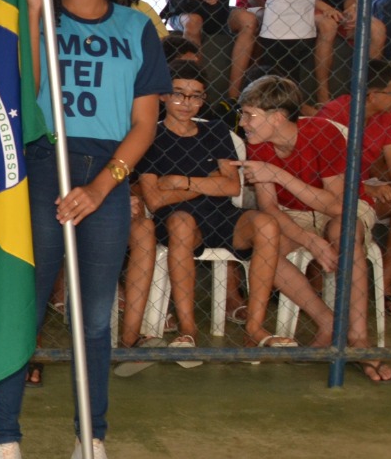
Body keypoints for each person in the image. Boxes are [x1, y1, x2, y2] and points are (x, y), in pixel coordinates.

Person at [0, 0, 168, 459]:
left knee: (92, 319)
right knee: (25, 309)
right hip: (43, 163)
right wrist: (37, 19)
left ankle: (90, 441)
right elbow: (29, 93)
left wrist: (103, 186)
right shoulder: (41, 16)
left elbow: (145, 123)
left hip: (106, 178)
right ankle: (4, 439)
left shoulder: (138, 27)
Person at [118, 63, 331, 369]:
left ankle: (254, 328)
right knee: (180, 222)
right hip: (180, 221)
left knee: (266, 223)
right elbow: (154, 197)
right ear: (163, 96)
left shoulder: (215, 130)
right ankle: (187, 329)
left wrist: (181, 181)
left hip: (222, 216)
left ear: (204, 99)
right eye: (179, 94)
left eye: (196, 96)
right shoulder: (151, 134)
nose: (187, 103)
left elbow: (232, 186)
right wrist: (208, 183)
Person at [236, 75, 391, 383]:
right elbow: (269, 209)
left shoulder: (321, 132)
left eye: (249, 115)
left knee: (341, 233)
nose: (243, 122)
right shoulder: (258, 146)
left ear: (278, 117)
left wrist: (279, 176)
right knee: (267, 254)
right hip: (292, 213)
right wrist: (309, 240)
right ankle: (330, 323)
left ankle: (359, 337)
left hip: (344, 206)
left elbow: (336, 206)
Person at [311, 58, 391, 315]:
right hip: (329, 188)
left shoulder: (386, 116)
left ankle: (385, 284)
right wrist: (368, 189)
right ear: (372, 95)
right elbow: (321, 171)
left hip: (363, 184)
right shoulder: (333, 113)